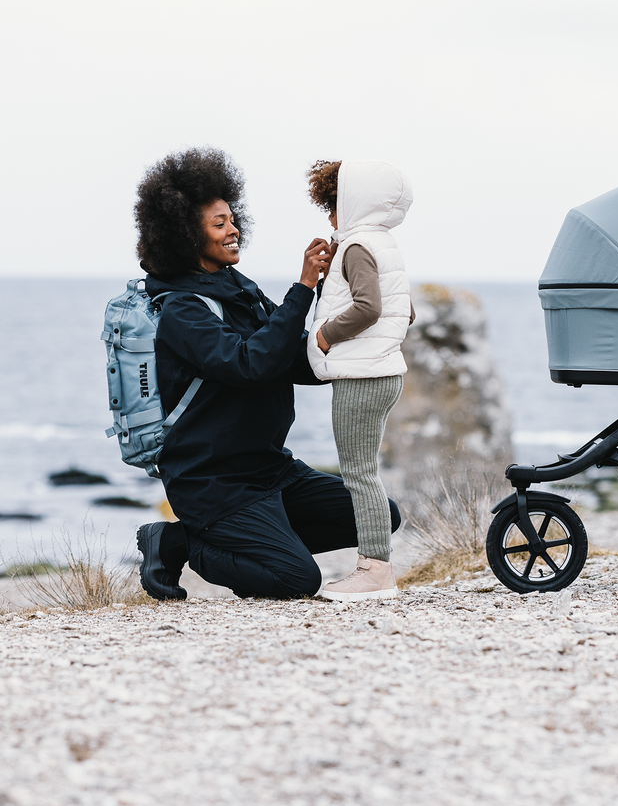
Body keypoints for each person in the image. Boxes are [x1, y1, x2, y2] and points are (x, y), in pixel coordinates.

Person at [133, 147, 401, 601]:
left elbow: (291, 360)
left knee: (380, 515)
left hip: (271, 469)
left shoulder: (238, 288)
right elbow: (249, 364)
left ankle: (266, 539)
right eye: (219, 224)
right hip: (216, 482)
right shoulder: (180, 310)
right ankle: (181, 542)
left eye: (232, 219)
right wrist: (301, 288)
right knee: (296, 580)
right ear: (182, 235)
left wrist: (348, 333)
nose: (233, 229)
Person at [306, 159, 413, 600]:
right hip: (383, 371)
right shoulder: (381, 244)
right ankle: (375, 567)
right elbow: (404, 311)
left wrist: (326, 336)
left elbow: (369, 308)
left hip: (362, 376)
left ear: (350, 204)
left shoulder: (356, 248)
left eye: (332, 204)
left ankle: (374, 570)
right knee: (363, 471)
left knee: (359, 473)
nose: (329, 215)